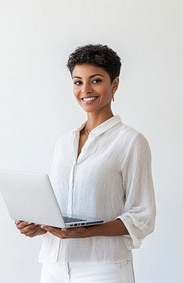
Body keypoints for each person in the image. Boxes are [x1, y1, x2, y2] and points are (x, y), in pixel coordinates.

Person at [15, 44, 156, 283]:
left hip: (103, 266)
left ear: (114, 84)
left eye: (96, 80)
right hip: (53, 265)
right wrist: (40, 225)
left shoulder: (130, 141)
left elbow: (142, 216)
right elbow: (62, 208)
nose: (85, 89)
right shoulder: (64, 143)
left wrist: (86, 232)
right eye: (78, 82)